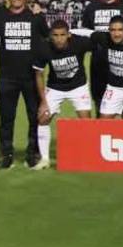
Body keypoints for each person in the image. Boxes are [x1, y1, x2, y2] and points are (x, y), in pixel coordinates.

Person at [0, 0, 48, 169]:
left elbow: (48, 36)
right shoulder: (0, 15)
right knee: (6, 118)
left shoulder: (35, 17)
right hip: (7, 76)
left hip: (31, 76)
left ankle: (32, 152)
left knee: (33, 117)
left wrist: (40, 14)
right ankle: (6, 154)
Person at [33, 20, 93, 165]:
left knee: (86, 120)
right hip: (55, 87)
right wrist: (43, 102)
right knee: (43, 118)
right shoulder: (43, 48)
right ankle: (44, 159)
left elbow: (99, 40)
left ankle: (88, 155)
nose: (59, 39)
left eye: (62, 35)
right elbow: (39, 75)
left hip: (78, 86)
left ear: (69, 35)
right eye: (55, 35)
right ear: (50, 36)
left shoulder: (79, 43)